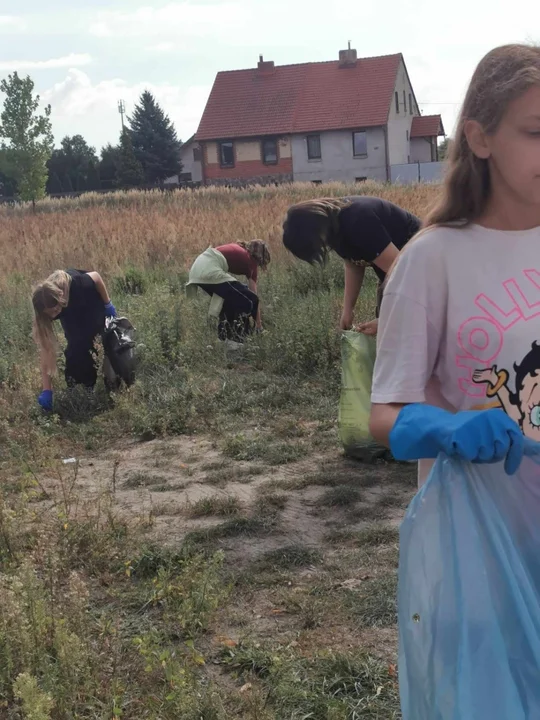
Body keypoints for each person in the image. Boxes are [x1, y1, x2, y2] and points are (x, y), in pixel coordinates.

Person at [369, 43, 540, 488]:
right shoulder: (431, 260)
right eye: (536, 132)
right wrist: (441, 428)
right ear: (480, 138)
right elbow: (384, 415)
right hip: (486, 536)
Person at [282, 196, 421, 335]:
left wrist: (387, 321)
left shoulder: (358, 220)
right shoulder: (332, 227)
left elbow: (406, 276)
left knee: (409, 333)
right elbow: (353, 264)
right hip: (395, 272)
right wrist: (348, 310)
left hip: (420, 266)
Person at [32, 269, 117, 411]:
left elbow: (96, 276)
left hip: (90, 302)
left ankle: (99, 383)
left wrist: (108, 304)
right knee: (75, 345)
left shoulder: (80, 284)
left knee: (90, 341)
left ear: (60, 298)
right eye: (50, 314)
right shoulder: (45, 304)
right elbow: (46, 349)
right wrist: (47, 390)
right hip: (67, 308)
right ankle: (75, 388)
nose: (53, 316)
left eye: (54, 312)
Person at [186, 240, 270, 347]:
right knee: (246, 300)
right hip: (209, 269)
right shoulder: (251, 260)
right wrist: (259, 326)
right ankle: (236, 339)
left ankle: (224, 339)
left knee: (231, 299)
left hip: (198, 269)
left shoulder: (240, 249)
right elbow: (254, 297)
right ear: (260, 256)